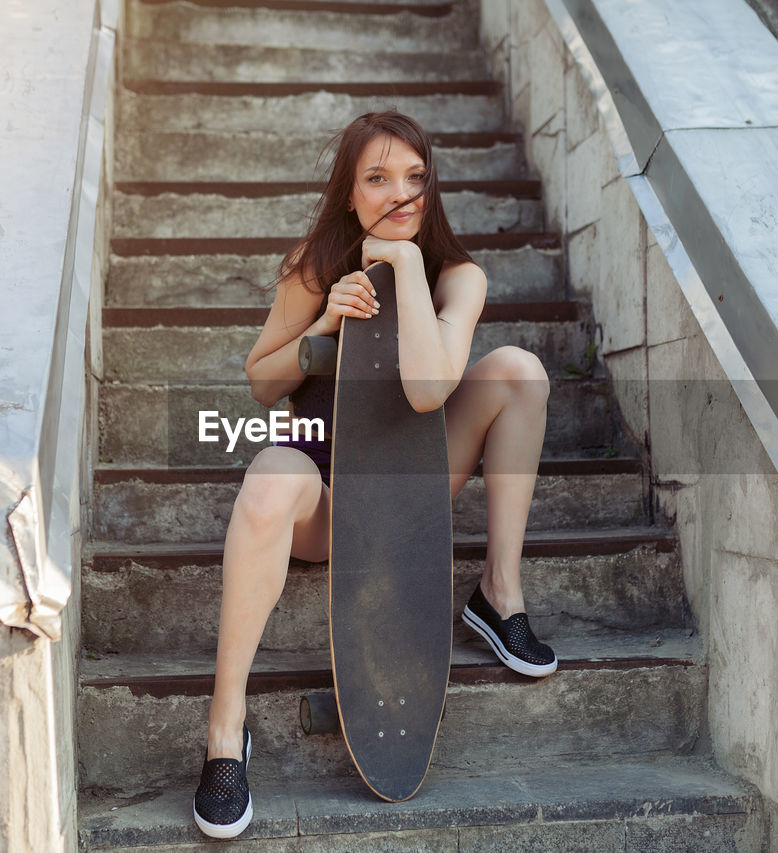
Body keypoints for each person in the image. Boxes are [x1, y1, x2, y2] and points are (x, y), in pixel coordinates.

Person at [192, 110, 556, 839]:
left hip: (412, 484)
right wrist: (321, 327)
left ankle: (498, 593)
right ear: (350, 191)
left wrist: (407, 266)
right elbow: (262, 384)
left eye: (416, 178)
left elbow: (428, 388)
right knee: (268, 477)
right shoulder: (314, 262)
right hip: (326, 494)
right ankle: (225, 734)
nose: (401, 194)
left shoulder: (458, 276)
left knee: (521, 372)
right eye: (379, 178)